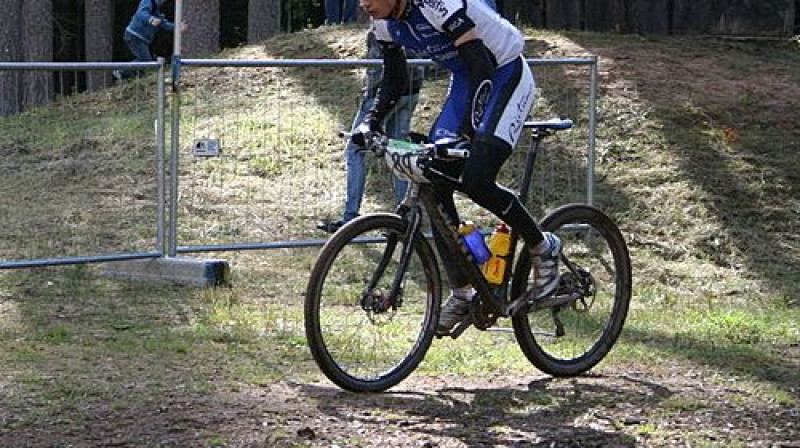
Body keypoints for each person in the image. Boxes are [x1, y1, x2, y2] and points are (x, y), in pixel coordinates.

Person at [355, 0, 562, 334]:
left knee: (478, 178)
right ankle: (464, 293)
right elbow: (394, 79)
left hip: (503, 72)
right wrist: (371, 122)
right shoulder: (382, 21)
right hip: (467, 78)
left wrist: (465, 133)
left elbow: (482, 63)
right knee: (435, 185)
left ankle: (543, 246)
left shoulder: (439, 4)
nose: (363, 3)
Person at [317, 30, 424, 233]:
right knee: (398, 153)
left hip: (383, 95)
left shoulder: (380, 27)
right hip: (412, 89)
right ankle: (404, 218)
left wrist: (370, 100)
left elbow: (379, 69)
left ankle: (350, 217)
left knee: (355, 150)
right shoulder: (410, 21)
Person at [114, 0, 187, 81]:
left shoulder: (157, 11)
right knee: (145, 61)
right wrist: (151, 19)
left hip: (141, 38)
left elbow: (163, 24)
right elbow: (141, 13)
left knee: (145, 61)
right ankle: (122, 72)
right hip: (134, 35)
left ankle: (133, 76)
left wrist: (176, 27)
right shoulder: (148, 1)